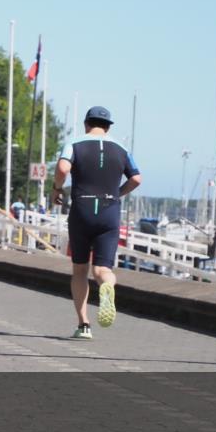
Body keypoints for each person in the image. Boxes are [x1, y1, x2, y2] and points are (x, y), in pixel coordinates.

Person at [53, 106, 141, 340]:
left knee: (80, 269)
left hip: (82, 208)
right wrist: (118, 193)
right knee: (103, 269)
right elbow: (136, 178)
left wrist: (57, 188)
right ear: (109, 126)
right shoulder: (122, 149)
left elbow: (63, 167)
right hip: (109, 210)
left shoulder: (73, 143)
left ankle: (83, 325)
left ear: (86, 123)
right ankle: (107, 286)